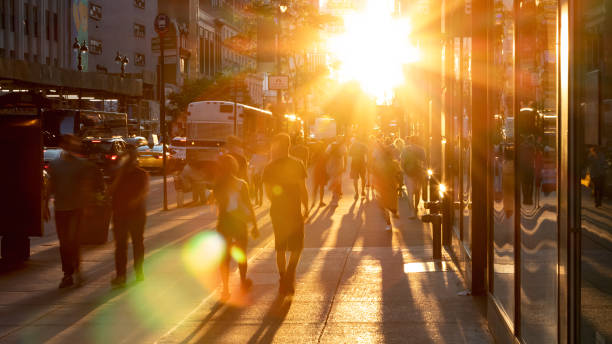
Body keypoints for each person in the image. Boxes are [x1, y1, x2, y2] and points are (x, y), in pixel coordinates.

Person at [48, 135, 101, 288]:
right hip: (61, 209)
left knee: (74, 241)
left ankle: (76, 269)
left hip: (76, 209)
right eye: (70, 144)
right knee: (64, 243)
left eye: (74, 143)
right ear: (64, 146)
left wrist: (87, 206)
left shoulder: (81, 164)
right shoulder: (56, 164)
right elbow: (51, 185)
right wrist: (45, 205)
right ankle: (68, 273)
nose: (73, 146)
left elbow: (87, 185)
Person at [263, 133, 309, 294]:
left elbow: (268, 192)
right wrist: (306, 206)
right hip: (294, 210)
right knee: (297, 246)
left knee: (280, 247)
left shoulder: (269, 167)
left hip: (277, 211)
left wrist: (277, 201)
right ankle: (290, 272)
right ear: (289, 145)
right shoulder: (297, 164)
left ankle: (283, 277)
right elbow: (302, 189)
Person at [213, 154, 259, 300]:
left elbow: (220, 205)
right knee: (241, 254)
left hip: (224, 222)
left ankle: (225, 289)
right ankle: (243, 281)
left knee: (224, 257)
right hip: (239, 222)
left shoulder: (218, 185)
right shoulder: (241, 184)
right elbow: (248, 205)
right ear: (234, 167)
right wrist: (255, 224)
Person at [108, 147, 149, 287]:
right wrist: (119, 175)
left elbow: (143, 192)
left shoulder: (141, 174)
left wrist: (135, 201)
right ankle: (121, 276)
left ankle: (139, 271)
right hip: (120, 214)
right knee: (120, 246)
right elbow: (110, 191)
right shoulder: (118, 174)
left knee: (137, 243)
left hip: (136, 215)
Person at [374, 144, 401, 230]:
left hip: (382, 186)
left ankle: (388, 223)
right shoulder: (395, 163)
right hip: (392, 186)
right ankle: (394, 211)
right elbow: (399, 174)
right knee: (393, 203)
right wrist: (400, 184)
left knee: (385, 206)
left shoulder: (379, 164)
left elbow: (375, 174)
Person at [401, 136, 426, 218]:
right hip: (418, 173)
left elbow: (402, 161)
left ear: (410, 141)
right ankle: (416, 208)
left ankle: (412, 211)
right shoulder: (421, 150)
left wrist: (404, 170)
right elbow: (424, 162)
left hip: (408, 173)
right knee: (418, 191)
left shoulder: (405, 150)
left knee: (410, 193)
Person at [326, 136, 347, 201]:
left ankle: (334, 193)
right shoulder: (343, 145)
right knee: (339, 177)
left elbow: (327, 152)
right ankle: (338, 191)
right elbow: (345, 153)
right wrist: (345, 165)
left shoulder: (331, 145)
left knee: (334, 177)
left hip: (332, 162)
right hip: (340, 163)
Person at [349, 135, 368, 200]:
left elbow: (349, 154)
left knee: (355, 178)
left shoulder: (352, 145)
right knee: (363, 177)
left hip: (354, 163)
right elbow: (367, 153)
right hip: (362, 163)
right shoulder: (363, 145)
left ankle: (356, 192)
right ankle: (362, 191)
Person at [311, 140, 329, 207]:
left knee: (316, 187)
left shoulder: (315, 154)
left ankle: (314, 201)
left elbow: (312, 162)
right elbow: (327, 163)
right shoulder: (324, 154)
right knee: (321, 187)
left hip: (317, 171)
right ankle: (320, 201)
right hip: (322, 171)